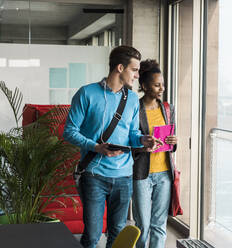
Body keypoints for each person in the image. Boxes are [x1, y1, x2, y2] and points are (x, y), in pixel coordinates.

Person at [63, 46, 161, 248]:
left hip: (124, 176)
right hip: (93, 175)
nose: (136, 75)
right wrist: (96, 147)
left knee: (117, 233)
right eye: (134, 70)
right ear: (119, 67)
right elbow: (69, 131)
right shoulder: (86, 94)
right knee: (92, 235)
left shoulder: (133, 99)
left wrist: (143, 140)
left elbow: (132, 134)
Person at [132, 59, 177, 248]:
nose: (162, 89)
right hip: (142, 173)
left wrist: (174, 142)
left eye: (163, 84)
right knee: (142, 224)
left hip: (165, 173)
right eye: (157, 85)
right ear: (144, 86)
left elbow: (171, 140)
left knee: (159, 225)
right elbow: (129, 141)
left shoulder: (167, 108)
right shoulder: (134, 108)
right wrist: (144, 144)